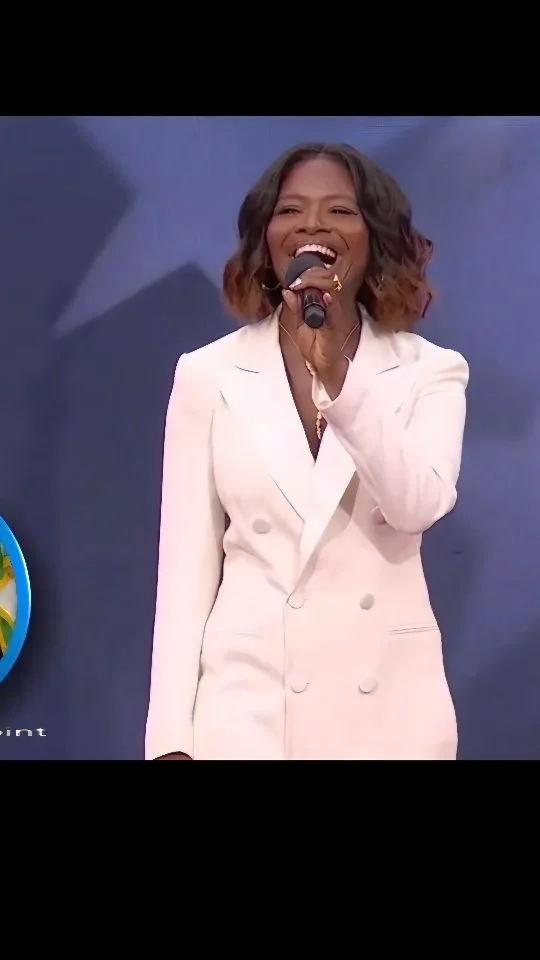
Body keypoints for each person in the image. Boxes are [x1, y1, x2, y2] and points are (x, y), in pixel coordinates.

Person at [144, 142, 469, 761]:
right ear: (266, 237)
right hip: (246, 718)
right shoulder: (208, 374)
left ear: (373, 238)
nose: (312, 225)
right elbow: (184, 573)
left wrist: (341, 382)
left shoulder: (431, 371)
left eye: (339, 211)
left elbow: (416, 506)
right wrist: (169, 742)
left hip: (388, 720)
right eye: (290, 210)